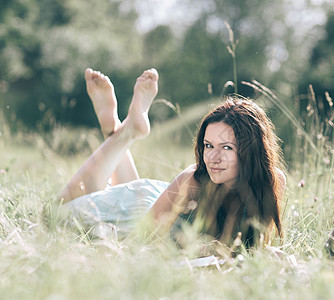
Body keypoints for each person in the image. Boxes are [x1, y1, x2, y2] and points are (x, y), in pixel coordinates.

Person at [57, 67, 286, 248]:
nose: (213, 158)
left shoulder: (272, 181)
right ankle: (123, 135)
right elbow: (136, 244)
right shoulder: (193, 181)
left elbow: (257, 247)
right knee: (56, 212)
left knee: (106, 193)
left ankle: (114, 131)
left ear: (251, 150)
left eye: (227, 148)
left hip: (156, 201)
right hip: (141, 212)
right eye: (208, 145)